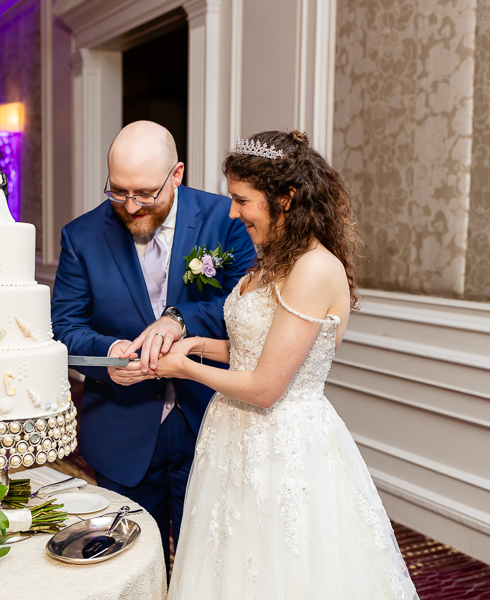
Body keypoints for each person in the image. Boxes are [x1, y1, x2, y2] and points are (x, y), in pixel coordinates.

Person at [156, 130, 419, 599]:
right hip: (232, 435)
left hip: (282, 445)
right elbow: (253, 348)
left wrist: (184, 369)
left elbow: (265, 386)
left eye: (242, 200)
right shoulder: (272, 258)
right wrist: (195, 345)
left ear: (286, 197)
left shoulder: (314, 269)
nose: (233, 213)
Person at [51, 121, 255, 570]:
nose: (130, 205)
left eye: (144, 193)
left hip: (209, 416)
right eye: (118, 191)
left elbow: (248, 305)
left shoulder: (229, 220)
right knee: (127, 565)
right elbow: (65, 327)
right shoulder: (81, 237)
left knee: (206, 563)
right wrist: (109, 357)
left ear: (177, 175)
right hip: (122, 427)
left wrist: (180, 321)